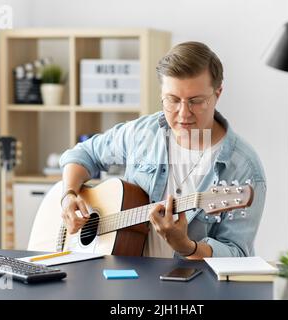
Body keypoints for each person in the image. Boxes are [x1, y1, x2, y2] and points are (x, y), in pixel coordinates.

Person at [59, 41, 266, 259]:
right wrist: (68, 195)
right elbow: (83, 154)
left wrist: (187, 246)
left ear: (218, 93)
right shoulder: (142, 133)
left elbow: (238, 253)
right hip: (126, 278)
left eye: (196, 101)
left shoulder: (243, 168)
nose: (183, 113)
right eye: (173, 100)